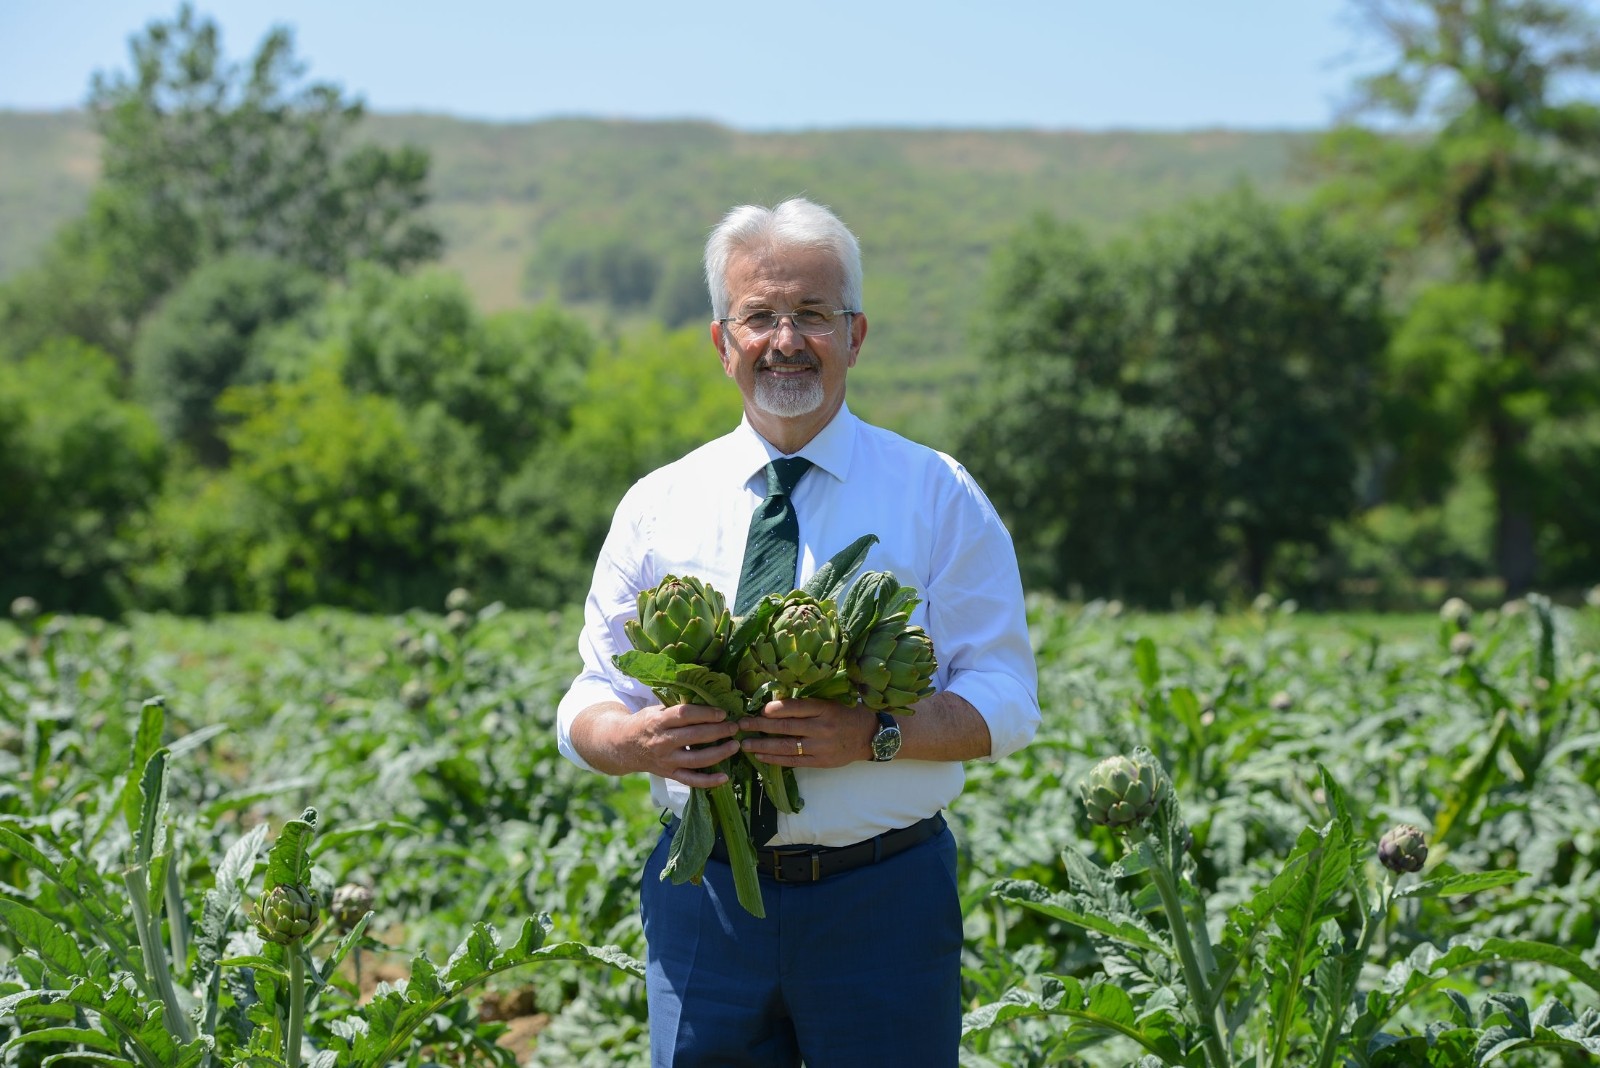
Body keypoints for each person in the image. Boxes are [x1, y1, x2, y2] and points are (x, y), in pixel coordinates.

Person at [556, 197, 1039, 1066]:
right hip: (703, 902)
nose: (786, 340)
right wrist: (634, 739)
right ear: (721, 341)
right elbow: (589, 697)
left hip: (881, 900)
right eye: (760, 317)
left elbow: (1005, 699)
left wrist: (875, 732)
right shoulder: (657, 504)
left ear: (856, 335)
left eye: (812, 315)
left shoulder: (937, 494)